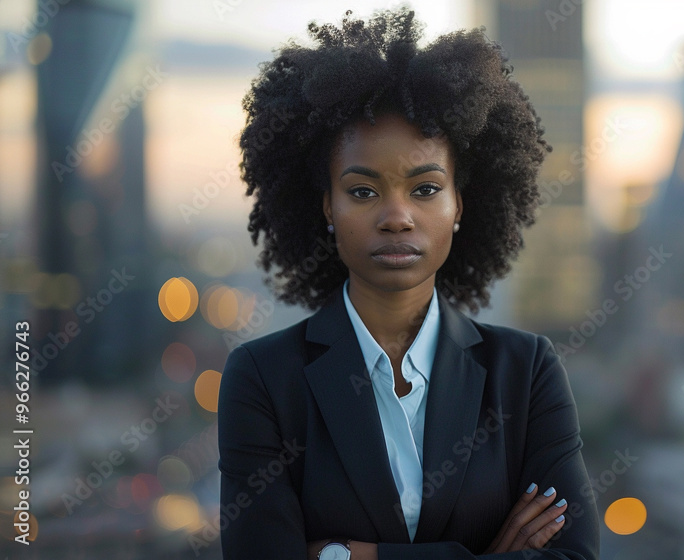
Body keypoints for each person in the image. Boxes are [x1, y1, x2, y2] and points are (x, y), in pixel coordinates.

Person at [217, 6, 600, 560]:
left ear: (460, 205)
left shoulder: (527, 371)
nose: (397, 217)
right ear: (326, 206)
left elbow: (576, 557)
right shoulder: (264, 380)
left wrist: (351, 555)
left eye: (424, 189)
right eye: (364, 191)